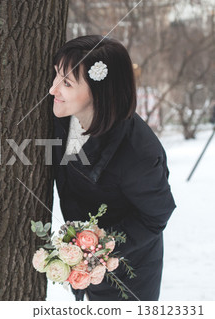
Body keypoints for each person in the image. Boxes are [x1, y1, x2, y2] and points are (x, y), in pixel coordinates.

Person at [50, 35, 176, 301]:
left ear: (99, 92)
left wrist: (98, 248)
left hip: (129, 273)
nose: (53, 90)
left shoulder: (139, 153)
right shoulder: (63, 116)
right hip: (86, 266)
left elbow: (156, 216)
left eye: (66, 83)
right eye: (55, 76)